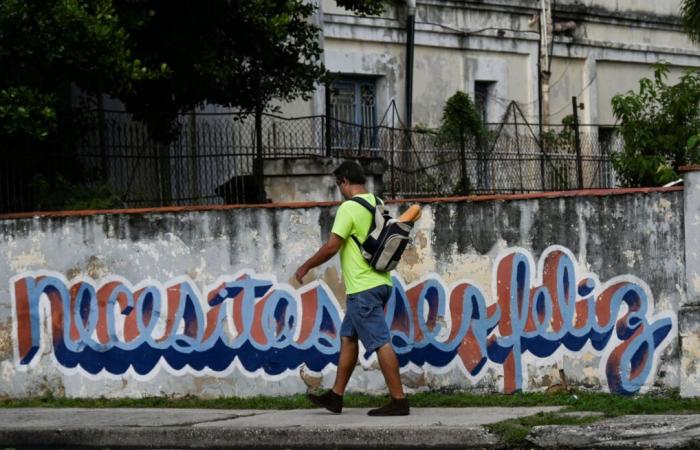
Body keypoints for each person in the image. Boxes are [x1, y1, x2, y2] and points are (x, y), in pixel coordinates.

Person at [294, 160, 409, 416]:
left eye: (338, 184)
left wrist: (305, 266)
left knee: (380, 341)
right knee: (348, 338)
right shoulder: (377, 203)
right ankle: (336, 396)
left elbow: (332, 246)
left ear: (344, 181)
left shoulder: (349, 208)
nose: (339, 190)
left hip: (363, 288)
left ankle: (399, 401)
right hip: (381, 282)